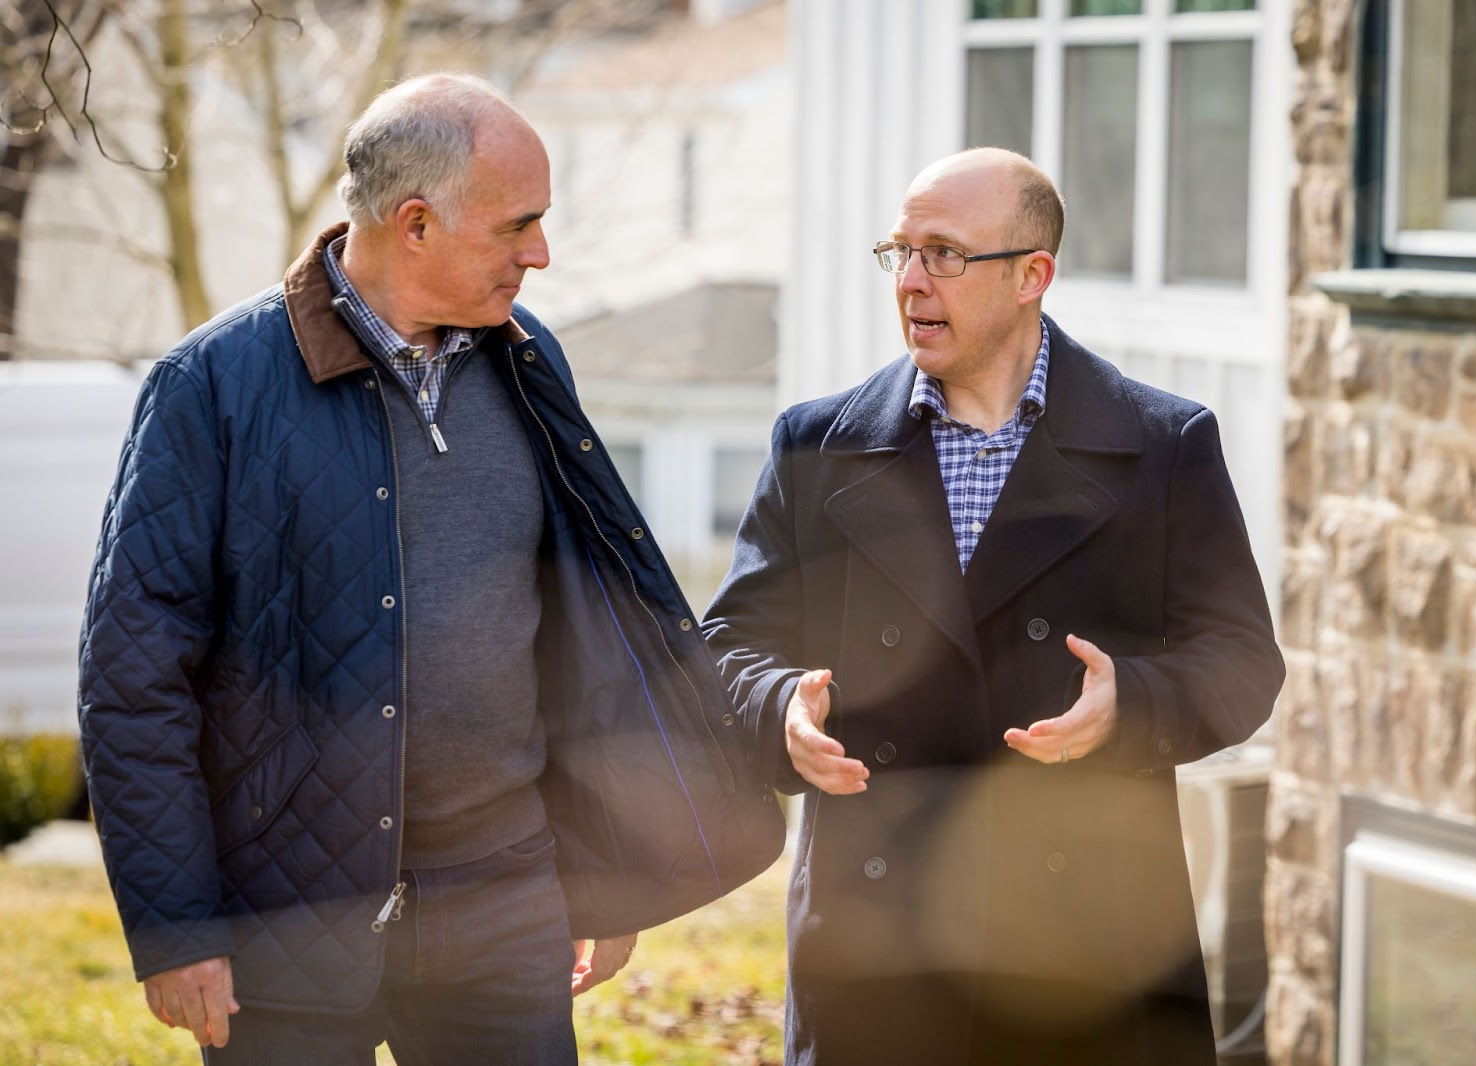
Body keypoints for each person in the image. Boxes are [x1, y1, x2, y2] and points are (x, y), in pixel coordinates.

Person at [78, 72, 781, 1064]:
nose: (540, 252)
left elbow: (578, 633)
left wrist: (604, 870)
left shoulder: (530, 359)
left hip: (507, 901)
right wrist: (176, 924)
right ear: (415, 223)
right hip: (286, 913)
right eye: (517, 226)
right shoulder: (211, 387)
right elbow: (134, 674)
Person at [702, 147, 1285, 1066]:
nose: (911, 282)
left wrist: (1131, 703)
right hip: (878, 949)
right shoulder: (817, 446)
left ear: (1031, 276)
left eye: (943, 254)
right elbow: (729, 643)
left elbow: (1244, 661)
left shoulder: (1162, 445)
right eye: (899, 252)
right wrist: (778, 709)